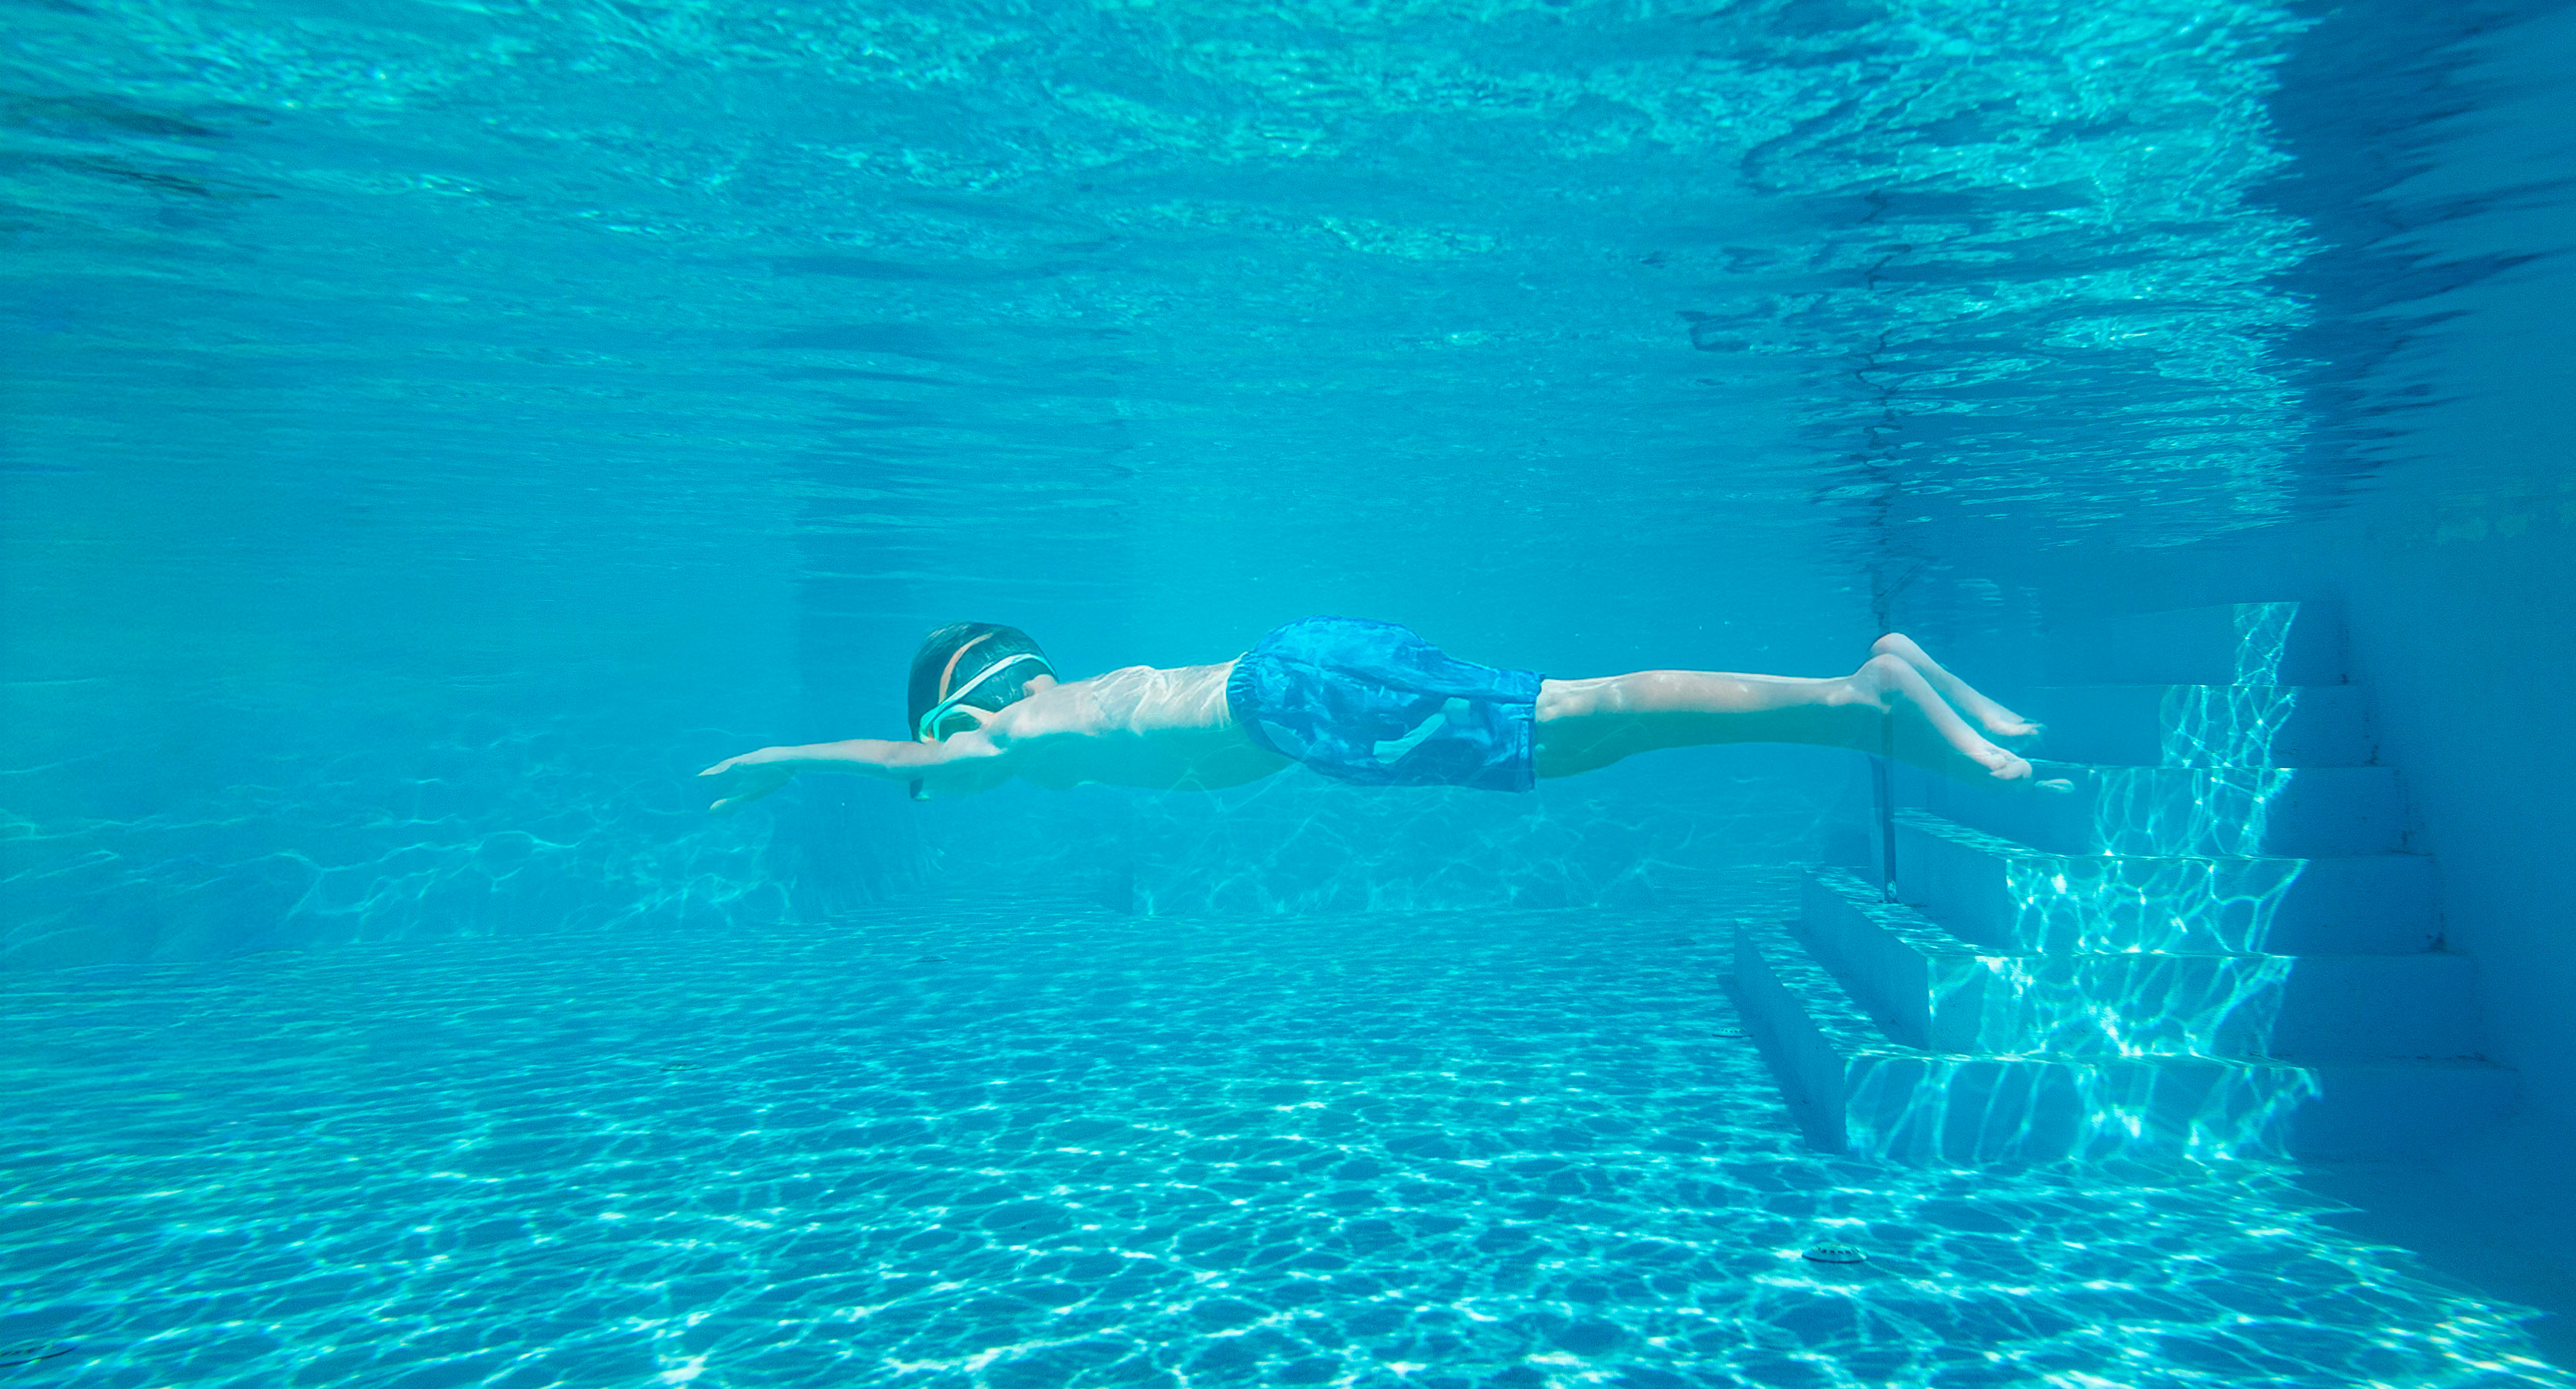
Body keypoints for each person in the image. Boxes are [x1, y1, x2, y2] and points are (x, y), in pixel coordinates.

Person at [699, 616, 2047, 808]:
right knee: (1578, 731)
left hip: (1304, 694)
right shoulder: (1093, 693)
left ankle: (1865, 695)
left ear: (953, 719)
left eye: (939, 745)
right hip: (1307, 681)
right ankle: (1880, 690)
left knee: (1579, 716)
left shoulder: (1022, 735)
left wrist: (782, 759)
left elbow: (890, 757)